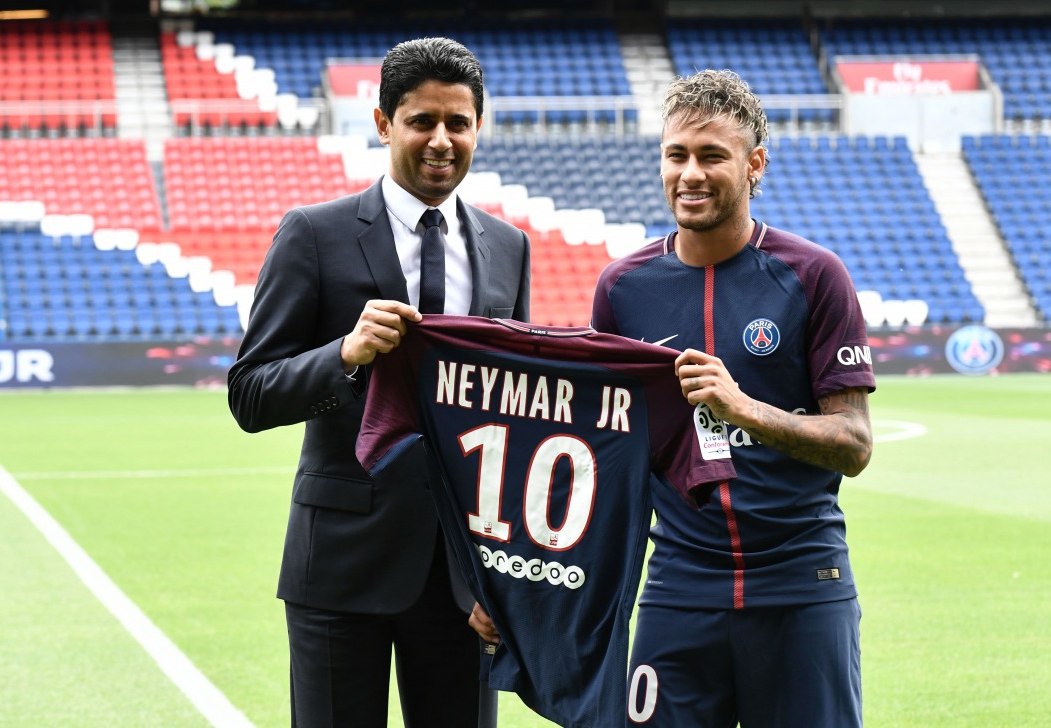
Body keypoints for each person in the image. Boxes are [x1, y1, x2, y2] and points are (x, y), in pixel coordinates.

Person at [227, 37, 530, 728]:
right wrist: (346, 353)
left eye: (459, 123)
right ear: (384, 122)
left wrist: (504, 572)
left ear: (479, 126)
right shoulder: (312, 235)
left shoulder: (509, 248)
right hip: (340, 570)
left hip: (463, 581)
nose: (442, 139)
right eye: (423, 120)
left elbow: (515, 422)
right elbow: (249, 392)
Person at [588, 69, 875, 726]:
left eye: (712, 156)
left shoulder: (813, 275)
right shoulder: (621, 289)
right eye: (676, 155)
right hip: (678, 591)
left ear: (754, 164)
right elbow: (606, 457)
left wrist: (743, 408)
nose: (691, 173)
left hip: (803, 586)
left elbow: (854, 445)